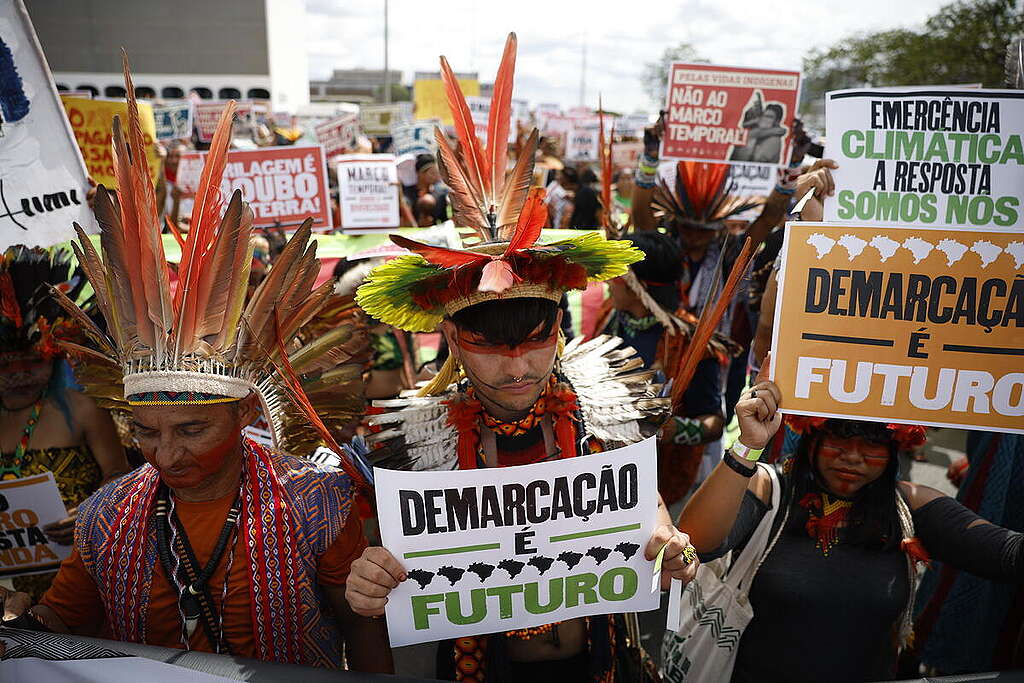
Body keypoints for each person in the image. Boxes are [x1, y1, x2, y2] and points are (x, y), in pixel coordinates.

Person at [0, 85, 390, 671]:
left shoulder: (314, 502)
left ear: (246, 414)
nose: (164, 454)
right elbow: (58, 627)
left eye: (189, 429)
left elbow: (362, 628)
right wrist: (16, 619)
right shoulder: (109, 515)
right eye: (145, 433)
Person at [350, 33, 698, 682]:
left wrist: (667, 542)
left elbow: (642, 506)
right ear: (451, 341)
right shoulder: (417, 438)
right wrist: (368, 579)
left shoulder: (603, 405)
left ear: (560, 331)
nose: (516, 370)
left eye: (534, 344)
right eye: (491, 350)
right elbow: (387, 557)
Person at [664, 367, 1024, 683]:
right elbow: (700, 542)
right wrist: (748, 445)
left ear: (896, 448)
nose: (852, 457)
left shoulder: (914, 504)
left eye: (872, 444)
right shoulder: (768, 487)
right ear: (811, 438)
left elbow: (1007, 554)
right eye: (838, 438)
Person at [0, 246, 130, 600]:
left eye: (32, 362)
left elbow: (121, 474)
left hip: (86, 571)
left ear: (54, 356)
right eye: (6, 366)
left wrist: (91, 510)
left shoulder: (82, 406)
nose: (20, 375)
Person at [599, 232, 734, 505]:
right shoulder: (612, 318)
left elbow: (715, 424)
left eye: (617, 275)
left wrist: (677, 429)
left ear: (635, 285)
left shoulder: (690, 342)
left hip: (662, 488)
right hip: (607, 479)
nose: (609, 283)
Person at [728, 95, 787, 164]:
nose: (764, 119)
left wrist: (753, 135)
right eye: (763, 115)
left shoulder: (774, 139)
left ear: (777, 121)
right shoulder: (754, 132)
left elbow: (757, 159)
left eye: (769, 117)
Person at [402, 153, 449, 225]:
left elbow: (444, 220)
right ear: (419, 174)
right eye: (432, 172)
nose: (436, 175)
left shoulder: (440, 194)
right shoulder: (408, 195)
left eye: (436, 172)